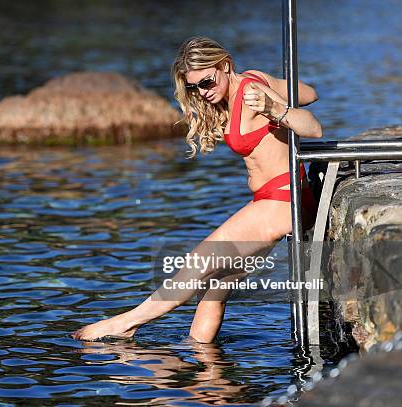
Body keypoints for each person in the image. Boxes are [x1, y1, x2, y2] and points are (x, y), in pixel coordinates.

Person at [71, 36, 321, 343]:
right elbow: (309, 93)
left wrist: (276, 108)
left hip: (283, 202)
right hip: (271, 199)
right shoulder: (252, 80)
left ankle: (126, 323)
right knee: (214, 287)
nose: (203, 92)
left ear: (226, 66)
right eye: (195, 87)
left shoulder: (253, 90)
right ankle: (207, 375)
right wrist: (281, 97)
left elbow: (313, 127)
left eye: (207, 81)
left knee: (197, 264)